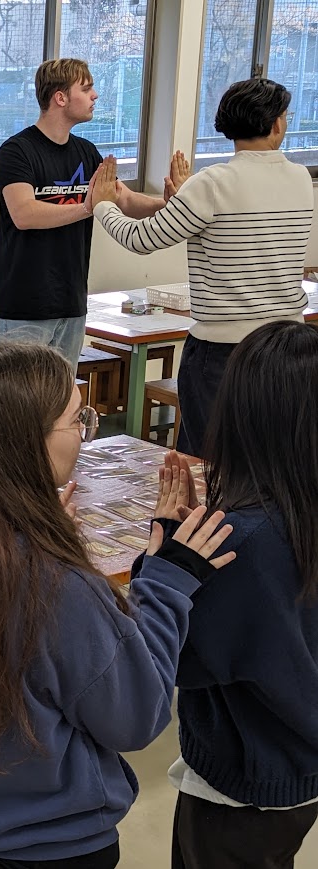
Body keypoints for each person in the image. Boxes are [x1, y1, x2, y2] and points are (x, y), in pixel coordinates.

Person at [0, 340, 236, 869]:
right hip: (39, 848)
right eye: (77, 419)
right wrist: (168, 582)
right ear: (24, 442)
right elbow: (135, 715)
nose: (84, 431)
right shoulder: (54, 585)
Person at [89, 77, 314, 457]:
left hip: (223, 351)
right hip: (286, 348)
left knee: (207, 460)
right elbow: (242, 223)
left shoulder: (212, 184)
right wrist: (186, 199)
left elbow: (141, 239)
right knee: (271, 457)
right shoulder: (300, 177)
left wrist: (103, 205)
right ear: (277, 124)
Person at [162, 321, 318, 869]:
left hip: (240, 781)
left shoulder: (242, 540)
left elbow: (176, 657)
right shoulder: (291, 519)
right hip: (298, 768)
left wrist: (170, 559)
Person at [0, 58, 170, 370]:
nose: (95, 95)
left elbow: (124, 200)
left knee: (63, 396)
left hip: (71, 303)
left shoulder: (86, 152)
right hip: (24, 308)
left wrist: (167, 203)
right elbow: (24, 213)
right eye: (86, 89)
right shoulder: (17, 151)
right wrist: (88, 207)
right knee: (18, 399)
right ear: (60, 98)